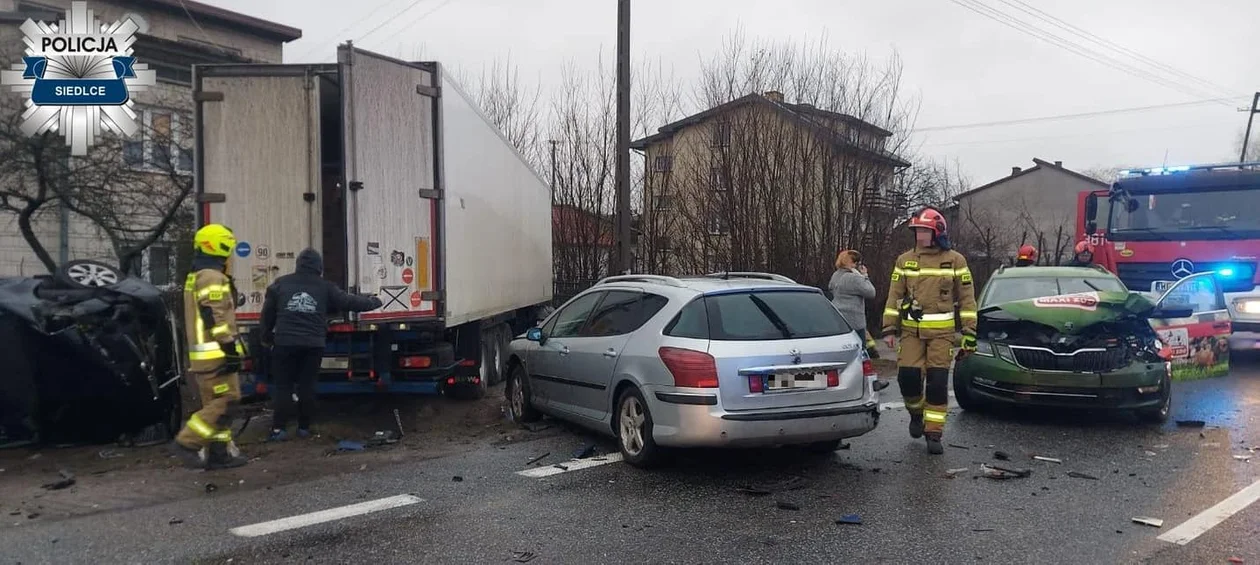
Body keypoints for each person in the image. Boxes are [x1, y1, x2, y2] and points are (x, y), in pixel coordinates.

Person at [881, 207, 978, 455]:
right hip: (912, 332)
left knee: (936, 383)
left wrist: (969, 332)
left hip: (942, 335)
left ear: (938, 233)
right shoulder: (905, 260)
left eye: (924, 231)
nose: (919, 235)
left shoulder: (956, 260)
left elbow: (967, 299)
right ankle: (916, 413)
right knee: (908, 379)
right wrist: (889, 329)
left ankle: (934, 432)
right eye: (917, 231)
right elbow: (895, 295)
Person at [260, 248, 382, 441]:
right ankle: (304, 429)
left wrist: (266, 336)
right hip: (313, 344)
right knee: (306, 386)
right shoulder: (325, 287)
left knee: (283, 387)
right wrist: (373, 302)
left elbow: (267, 314)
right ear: (319, 267)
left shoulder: (280, 284)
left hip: (285, 343)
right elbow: (348, 302)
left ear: (298, 265)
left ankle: (279, 430)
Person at [172, 223, 249, 470]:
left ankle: (219, 453)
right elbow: (215, 315)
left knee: (217, 405)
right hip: (216, 355)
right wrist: (229, 349)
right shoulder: (211, 277)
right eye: (228, 249)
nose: (229, 255)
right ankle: (188, 441)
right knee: (228, 399)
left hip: (205, 356)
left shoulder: (198, 276)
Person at [829, 249, 879, 359]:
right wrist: (865, 276)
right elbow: (871, 292)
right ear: (852, 263)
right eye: (856, 263)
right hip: (855, 320)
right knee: (860, 352)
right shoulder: (853, 277)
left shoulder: (835, 276)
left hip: (838, 319)